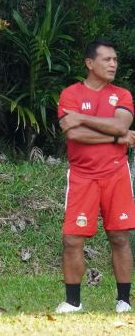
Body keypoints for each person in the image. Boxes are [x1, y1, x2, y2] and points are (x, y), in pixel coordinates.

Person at [56, 39, 135, 314]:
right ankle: (73, 302)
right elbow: (73, 134)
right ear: (89, 63)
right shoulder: (70, 94)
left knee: (120, 237)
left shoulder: (122, 95)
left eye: (115, 59)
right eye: (106, 59)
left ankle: (124, 301)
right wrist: (117, 137)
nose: (113, 64)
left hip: (116, 173)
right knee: (72, 239)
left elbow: (121, 123)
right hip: (82, 176)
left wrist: (82, 118)